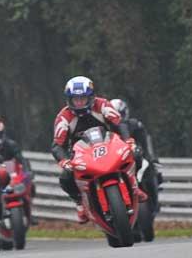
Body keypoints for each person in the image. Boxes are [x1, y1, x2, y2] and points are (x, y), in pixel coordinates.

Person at [51, 76, 146, 223]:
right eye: (75, 99)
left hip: (110, 145)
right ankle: (79, 202)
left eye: (83, 98)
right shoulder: (63, 118)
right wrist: (64, 161)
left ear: (91, 97)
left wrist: (128, 141)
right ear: (69, 100)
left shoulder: (102, 105)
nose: (79, 103)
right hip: (82, 154)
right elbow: (57, 145)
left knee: (136, 153)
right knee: (65, 177)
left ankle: (135, 185)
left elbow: (119, 123)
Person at [110, 98, 163, 208]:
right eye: (115, 116)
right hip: (116, 160)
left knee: (151, 169)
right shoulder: (106, 129)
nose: (117, 119)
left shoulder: (134, 125)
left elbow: (146, 140)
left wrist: (150, 156)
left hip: (135, 155)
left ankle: (154, 201)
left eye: (120, 115)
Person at [0, 118, 36, 222]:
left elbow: (21, 159)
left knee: (30, 185)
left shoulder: (11, 144)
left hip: (10, 173)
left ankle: (29, 210)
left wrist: (27, 172)